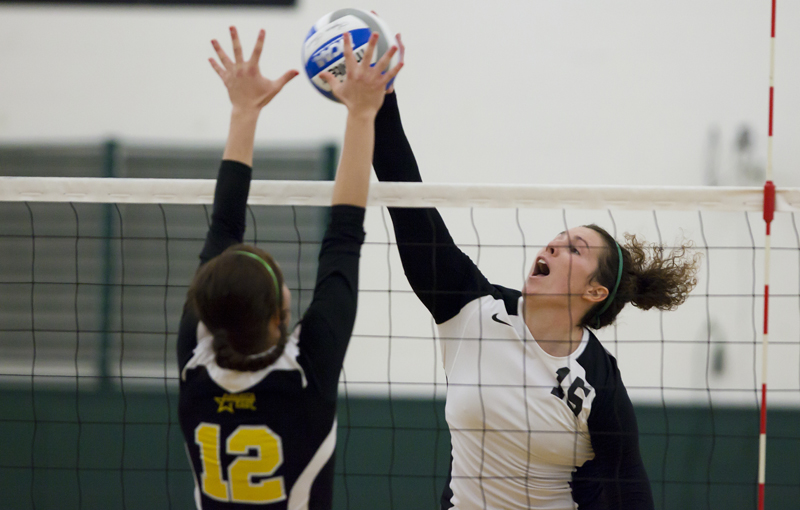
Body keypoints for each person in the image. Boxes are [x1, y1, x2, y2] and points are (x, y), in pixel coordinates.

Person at [372, 38, 699, 510]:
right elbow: (408, 204)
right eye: (557, 237)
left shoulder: (598, 383)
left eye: (575, 248)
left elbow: (631, 494)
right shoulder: (470, 309)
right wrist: (380, 102)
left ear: (595, 290)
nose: (553, 245)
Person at [177, 27, 401, 509]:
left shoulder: (197, 368)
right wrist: (362, 113)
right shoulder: (302, 379)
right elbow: (227, 230)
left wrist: (244, 112)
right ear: (279, 317)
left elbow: (343, 237)